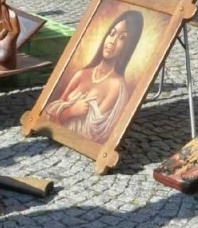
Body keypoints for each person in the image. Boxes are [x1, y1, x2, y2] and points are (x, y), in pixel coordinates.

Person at [43, 9, 143, 141]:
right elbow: (50, 114)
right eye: (112, 33)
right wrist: (71, 111)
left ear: (128, 46)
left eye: (122, 38)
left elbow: (97, 136)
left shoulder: (116, 87)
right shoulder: (82, 74)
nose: (112, 41)